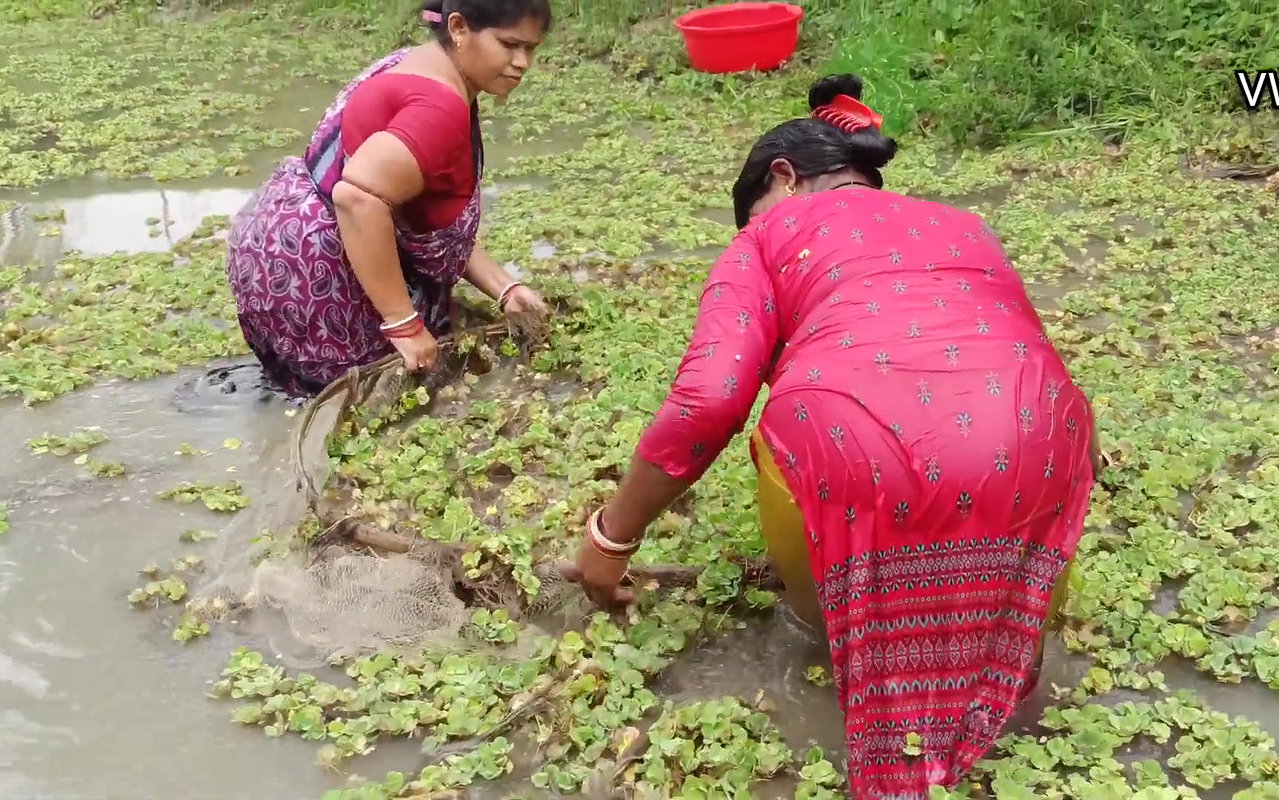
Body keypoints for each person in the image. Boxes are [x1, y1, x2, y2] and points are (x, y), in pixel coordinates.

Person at [572, 74, 1105, 798]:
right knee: (1011, 668)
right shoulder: (966, 224)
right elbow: (1022, 344)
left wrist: (610, 540)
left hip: (855, 452)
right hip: (1044, 442)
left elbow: (710, 398)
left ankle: (833, 668)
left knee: (809, 533)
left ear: (783, 178)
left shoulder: (766, 235)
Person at [226, 0, 552, 397]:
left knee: (291, 398)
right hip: (318, 276)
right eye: (509, 44)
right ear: (459, 27)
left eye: (531, 48)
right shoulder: (440, 108)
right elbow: (358, 198)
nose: (522, 62)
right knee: (381, 406)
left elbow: (425, 221)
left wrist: (506, 289)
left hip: (275, 246)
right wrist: (405, 325)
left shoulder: (416, 63)